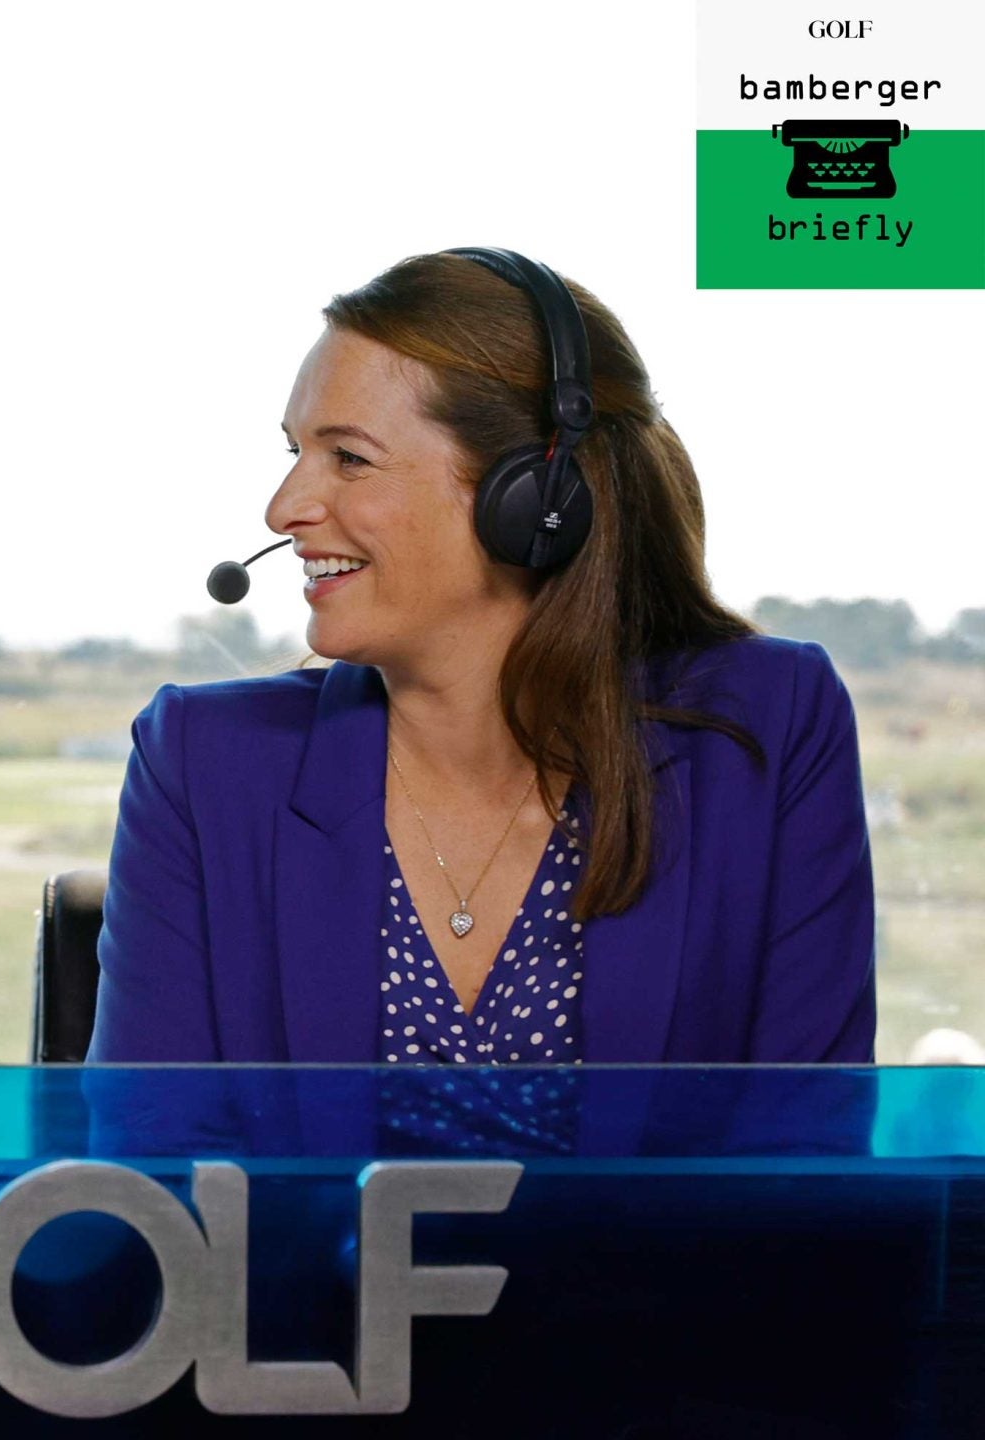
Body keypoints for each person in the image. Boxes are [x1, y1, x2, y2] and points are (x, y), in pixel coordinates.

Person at [90, 248, 875, 1069]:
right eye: (295, 453)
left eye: (349, 457)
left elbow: (805, 1151)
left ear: (535, 497)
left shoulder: (770, 725)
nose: (284, 509)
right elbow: (158, 1171)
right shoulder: (202, 760)